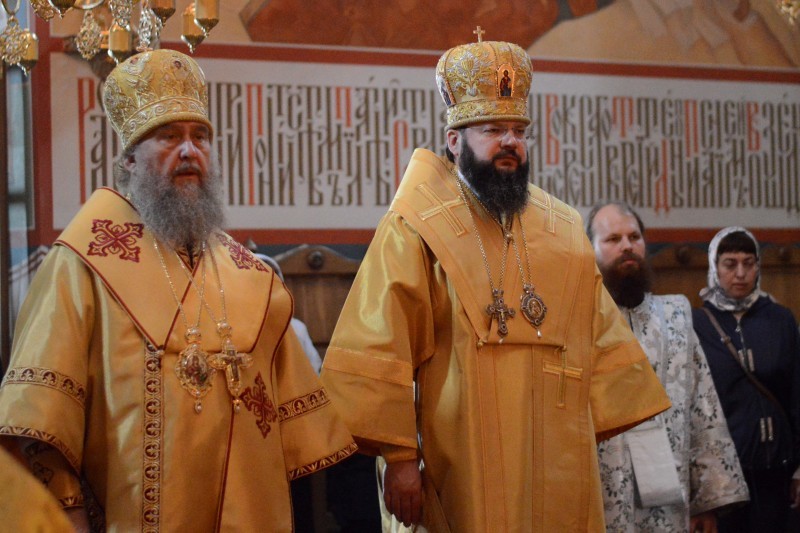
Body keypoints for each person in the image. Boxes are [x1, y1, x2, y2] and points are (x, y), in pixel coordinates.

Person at [320, 33, 671, 531]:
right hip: (457, 455)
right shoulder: (417, 226)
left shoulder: (563, 228)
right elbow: (381, 342)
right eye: (492, 129)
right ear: (454, 140)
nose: (510, 142)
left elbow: (601, 342)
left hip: (556, 452)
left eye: (518, 130)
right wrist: (399, 458)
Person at [0, 49, 356, 531]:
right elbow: (39, 420)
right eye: (169, 136)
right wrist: (68, 515)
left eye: (200, 137)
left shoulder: (251, 276)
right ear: (129, 159)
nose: (190, 151)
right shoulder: (81, 264)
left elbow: (295, 427)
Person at [586, 201, 749, 532]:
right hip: (602, 489)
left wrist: (706, 501)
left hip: (669, 490)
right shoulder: (577, 319)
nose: (627, 246)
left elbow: (703, 407)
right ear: (590, 249)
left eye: (634, 237)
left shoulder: (676, 314)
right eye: (613, 239)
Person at [692, 227, 800, 532]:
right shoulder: (696, 324)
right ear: (714, 267)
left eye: (749, 263)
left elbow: (797, 393)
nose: (740, 273)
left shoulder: (780, 319)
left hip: (777, 470)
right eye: (730, 264)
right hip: (723, 476)